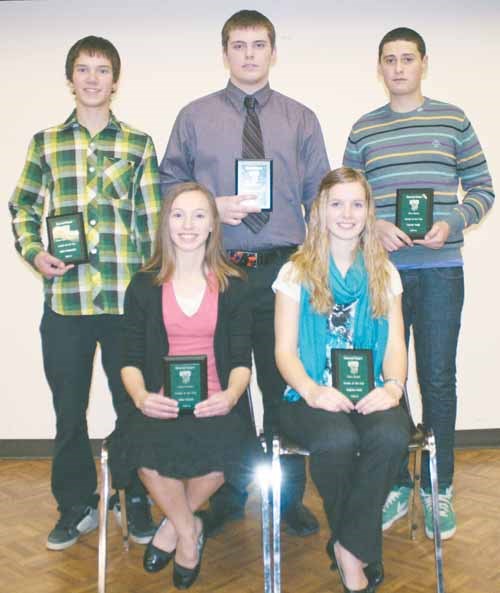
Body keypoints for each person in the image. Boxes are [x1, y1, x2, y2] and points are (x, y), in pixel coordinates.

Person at [160, 8, 330, 537]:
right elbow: (167, 186)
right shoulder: (194, 116)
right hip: (220, 273)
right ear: (225, 52)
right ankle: (228, 494)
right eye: (239, 45)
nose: (250, 54)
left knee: (286, 387)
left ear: (273, 53)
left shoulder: (300, 118)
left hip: (285, 272)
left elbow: (320, 200)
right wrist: (211, 204)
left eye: (259, 45)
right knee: (225, 391)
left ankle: (289, 500)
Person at [8, 35, 161, 550]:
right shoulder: (45, 143)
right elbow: (23, 207)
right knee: (68, 411)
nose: (92, 79)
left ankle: (133, 496)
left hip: (124, 304)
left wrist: (153, 294)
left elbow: (151, 224)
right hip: (67, 304)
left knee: (133, 406)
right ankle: (76, 507)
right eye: (83, 69)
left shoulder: (138, 144)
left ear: (115, 81)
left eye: (102, 70)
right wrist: (34, 252)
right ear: (70, 79)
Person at [343, 27, 495, 540]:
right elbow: (346, 200)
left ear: (423, 64)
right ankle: (397, 484)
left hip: (438, 273)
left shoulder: (452, 119)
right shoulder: (364, 130)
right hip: (380, 276)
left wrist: (452, 223)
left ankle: (438, 487)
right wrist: (373, 225)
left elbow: (482, 187)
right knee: (388, 380)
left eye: (408, 58)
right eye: (390, 59)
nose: (400, 67)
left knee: (437, 379)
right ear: (380, 67)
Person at [274, 167, 410, 593]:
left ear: (369, 211)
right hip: (308, 392)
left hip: (370, 388)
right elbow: (284, 350)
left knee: (390, 437)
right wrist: (313, 391)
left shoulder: (385, 273)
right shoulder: (296, 272)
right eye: (337, 204)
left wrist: (393, 387)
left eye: (357, 203)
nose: (346, 214)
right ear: (320, 211)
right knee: (336, 441)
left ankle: (348, 544)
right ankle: (360, 549)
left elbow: (394, 344)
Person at [120, 182, 258, 589]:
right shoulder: (143, 285)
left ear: (213, 225)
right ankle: (187, 532)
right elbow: (128, 360)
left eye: (199, 215)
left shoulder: (234, 283)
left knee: (231, 451)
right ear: (166, 224)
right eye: (178, 214)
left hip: (215, 399)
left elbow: (240, 360)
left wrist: (230, 396)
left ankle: (171, 529)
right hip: (159, 401)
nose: (188, 225)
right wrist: (142, 396)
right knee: (141, 450)